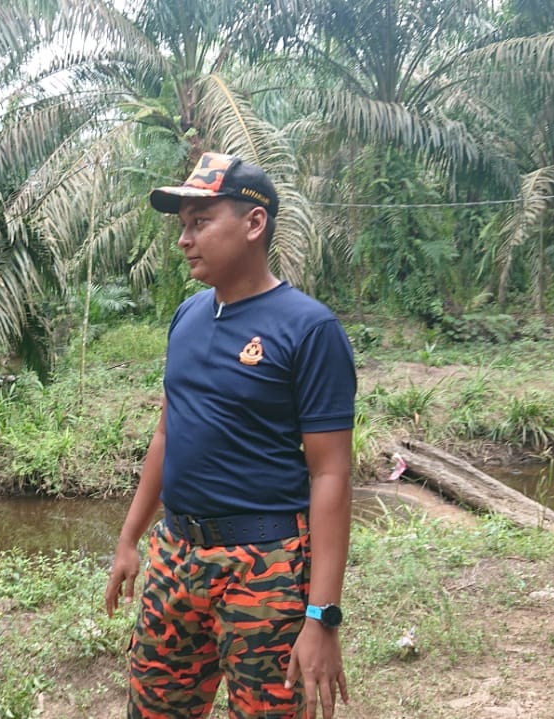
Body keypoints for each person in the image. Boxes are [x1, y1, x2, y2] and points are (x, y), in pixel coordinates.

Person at [105, 153, 357, 719]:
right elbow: (168, 433)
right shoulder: (188, 316)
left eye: (200, 222)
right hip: (176, 557)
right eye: (182, 226)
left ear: (253, 224)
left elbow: (331, 474)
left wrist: (321, 617)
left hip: (264, 567)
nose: (184, 240)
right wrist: (130, 539)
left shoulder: (309, 329)